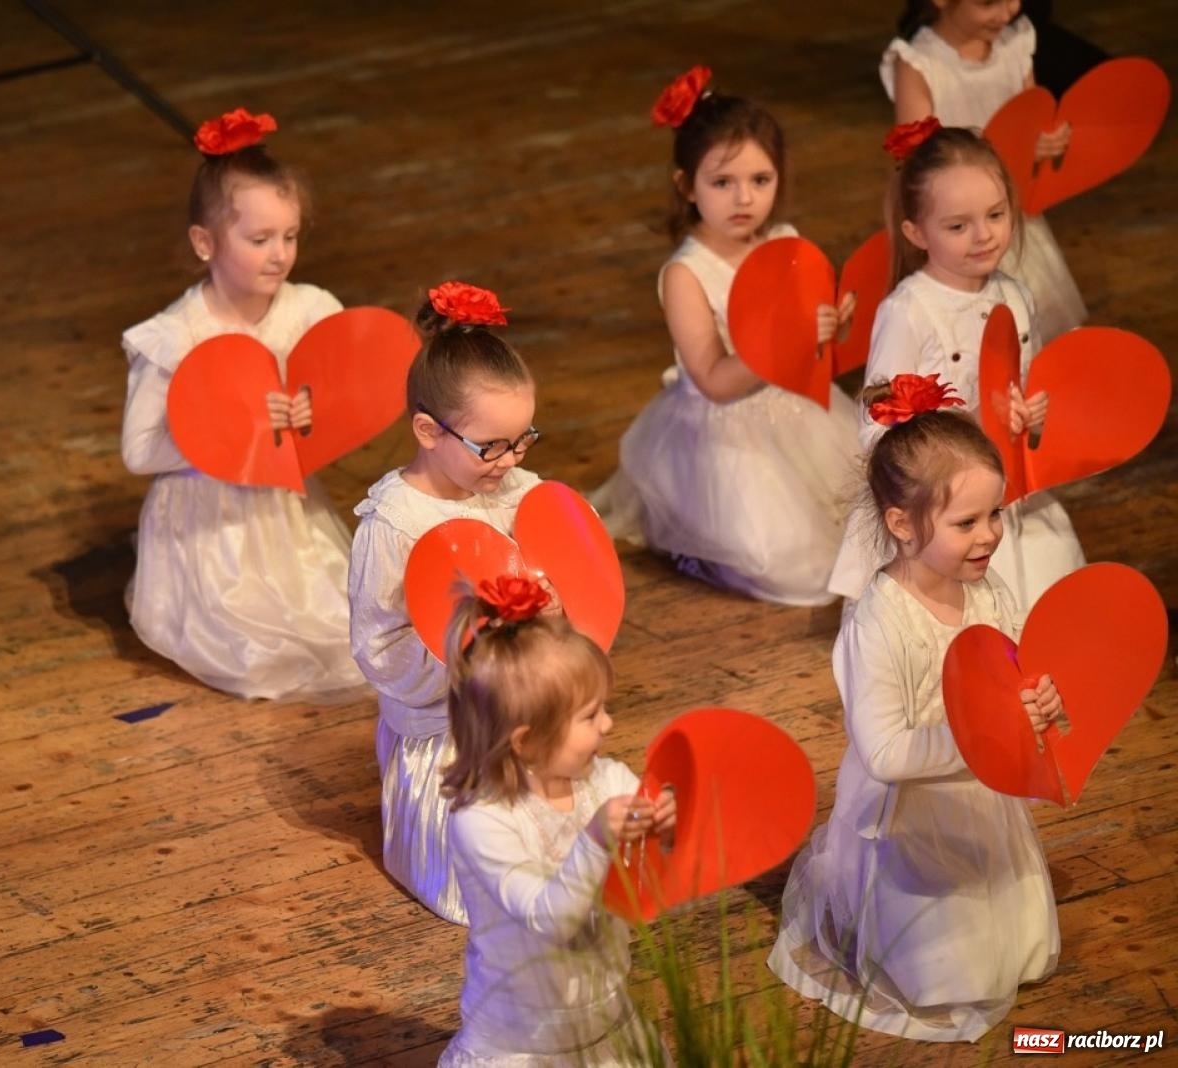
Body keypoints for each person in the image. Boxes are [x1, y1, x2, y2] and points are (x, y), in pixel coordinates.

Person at [772, 374, 1062, 1042]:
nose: (989, 536)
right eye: (966, 522)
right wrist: (984, 740)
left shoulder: (986, 593)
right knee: (945, 972)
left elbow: (1013, 671)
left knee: (1009, 941)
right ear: (901, 523)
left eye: (995, 514)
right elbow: (886, 752)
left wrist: (1038, 702)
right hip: (908, 818)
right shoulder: (878, 622)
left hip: (976, 798)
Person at [120, 107, 364, 699]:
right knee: (257, 646)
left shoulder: (308, 310)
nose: (279, 254)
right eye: (259, 240)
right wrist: (233, 431)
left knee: (343, 627)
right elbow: (139, 451)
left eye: (290, 236)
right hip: (210, 521)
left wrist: (313, 413)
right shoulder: (177, 338)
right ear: (205, 243)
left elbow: (342, 396)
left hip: (281, 509)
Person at [594, 66, 859, 606]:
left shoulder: (784, 241)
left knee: (865, 514)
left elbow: (809, 342)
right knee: (789, 565)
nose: (744, 199)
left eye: (760, 180)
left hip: (795, 407)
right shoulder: (687, 274)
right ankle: (699, 539)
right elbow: (715, 379)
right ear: (686, 186)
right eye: (723, 182)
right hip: (724, 428)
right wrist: (786, 342)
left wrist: (832, 328)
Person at [828, 120, 1083, 609]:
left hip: (1004, 491)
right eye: (958, 226)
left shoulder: (1016, 295)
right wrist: (955, 433)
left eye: (995, 214)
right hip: (939, 504)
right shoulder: (910, 310)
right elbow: (875, 424)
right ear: (916, 231)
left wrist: (1029, 418)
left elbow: (1020, 386)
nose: (983, 235)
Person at [349, 281, 541, 924]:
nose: (510, 460)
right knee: (482, 882)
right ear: (429, 430)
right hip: (449, 728)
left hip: (520, 710)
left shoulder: (516, 492)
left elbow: (561, 572)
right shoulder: (396, 522)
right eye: (492, 446)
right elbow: (380, 647)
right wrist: (465, 651)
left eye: (523, 440)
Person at [439, 575, 674, 1065]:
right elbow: (550, 920)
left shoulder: (605, 780)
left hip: (605, 1017)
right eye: (590, 716)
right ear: (525, 741)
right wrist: (595, 841)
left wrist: (665, 825)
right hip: (523, 1040)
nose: (608, 724)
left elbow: (656, 873)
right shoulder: (482, 821)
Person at [884, 0, 1087, 343]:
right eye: (989, 2)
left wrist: (1045, 141)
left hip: (1007, 214)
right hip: (957, 224)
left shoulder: (1016, 41)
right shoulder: (920, 63)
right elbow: (917, 161)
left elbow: (1031, 114)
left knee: (1031, 328)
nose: (1008, 11)